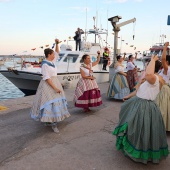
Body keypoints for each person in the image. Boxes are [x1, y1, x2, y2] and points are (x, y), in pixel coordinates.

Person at [112, 55, 168, 164]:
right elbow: (137, 91)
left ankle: (143, 153)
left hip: (146, 107)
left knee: (144, 129)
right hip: (137, 103)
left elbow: (149, 74)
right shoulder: (147, 80)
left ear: (152, 67)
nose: (146, 67)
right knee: (133, 127)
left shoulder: (156, 79)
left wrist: (153, 60)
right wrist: (128, 96)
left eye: (147, 65)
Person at [30, 39, 70, 133]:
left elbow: (57, 53)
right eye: (52, 54)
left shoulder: (52, 62)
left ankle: (52, 121)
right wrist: (55, 88)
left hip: (55, 82)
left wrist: (57, 44)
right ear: (48, 55)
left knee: (55, 102)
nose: (54, 55)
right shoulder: (45, 65)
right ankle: (52, 123)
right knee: (49, 102)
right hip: (49, 84)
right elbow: (47, 78)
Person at [156, 42, 170, 131]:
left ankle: (160, 127)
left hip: (163, 89)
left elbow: (163, 59)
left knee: (161, 108)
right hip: (164, 88)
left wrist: (165, 47)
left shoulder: (167, 69)